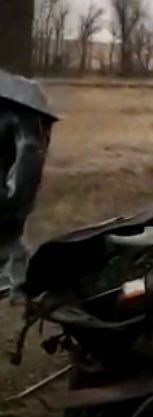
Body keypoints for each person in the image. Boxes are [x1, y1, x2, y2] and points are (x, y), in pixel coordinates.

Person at [0, 70, 57, 298]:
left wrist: (13, 199)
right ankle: (16, 283)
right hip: (12, 198)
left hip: (10, 197)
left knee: (11, 241)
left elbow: (27, 164)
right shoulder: (28, 116)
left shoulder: (20, 116)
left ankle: (16, 283)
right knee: (12, 241)